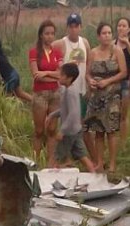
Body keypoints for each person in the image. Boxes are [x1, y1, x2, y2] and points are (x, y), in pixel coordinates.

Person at [52, 13, 95, 161]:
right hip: (66, 90)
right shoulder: (60, 43)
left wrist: (88, 80)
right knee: (66, 122)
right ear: (67, 27)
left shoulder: (85, 43)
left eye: (76, 26)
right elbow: (48, 52)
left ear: (80, 27)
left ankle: (80, 157)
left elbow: (88, 63)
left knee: (78, 125)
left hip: (81, 90)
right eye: (71, 26)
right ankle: (68, 159)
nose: (74, 29)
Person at [85, 22, 127, 173]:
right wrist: (90, 81)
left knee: (111, 131)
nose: (107, 36)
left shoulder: (117, 52)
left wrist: (108, 81)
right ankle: (99, 163)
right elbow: (87, 72)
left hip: (112, 95)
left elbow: (123, 72)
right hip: (96, 96)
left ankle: (113, 163)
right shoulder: (93, 52)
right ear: (98, 36)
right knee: (98, 131)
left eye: (109, 33)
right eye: (104, 33)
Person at [45, 63, 95, 172]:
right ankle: (94, 174)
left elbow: (72, 113)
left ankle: (47, 175)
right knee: (82, 155)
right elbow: (64, 110)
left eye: (62, 75)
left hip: (69, 131)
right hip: (75, 129)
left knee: (56, 156)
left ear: (69, 78)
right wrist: (52, 115)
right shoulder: (68, 90)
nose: (59, 76)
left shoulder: (71, 92)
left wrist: (62, 131)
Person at [29, 20, 63, 166]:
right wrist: (52, 74)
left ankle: (51, 162)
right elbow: (36, 74)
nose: (50, 37)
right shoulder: (34, 52)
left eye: (52, 34)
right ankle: (35, 161)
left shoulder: (57, 52)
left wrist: (47, 73)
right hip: (40, 93)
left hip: (55, 93)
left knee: (52, 129)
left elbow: (61, 74)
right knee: (39, 130)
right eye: (47, 33)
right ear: (41, 35)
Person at [0, 37, 32, 102]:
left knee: (7, 100)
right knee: (20, 93)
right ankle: (35, 101)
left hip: (10, 78)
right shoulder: (1, 55)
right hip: (15, 75)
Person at [115, 17, 130, 143]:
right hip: (113, 83)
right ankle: (113, 140)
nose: (121, 28)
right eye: (119, 25)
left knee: (123, 115)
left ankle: (123, 142)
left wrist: (127, 43)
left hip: (126, 83)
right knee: (113, 114)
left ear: (129, 29)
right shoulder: (112, 44)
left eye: (124, 26)